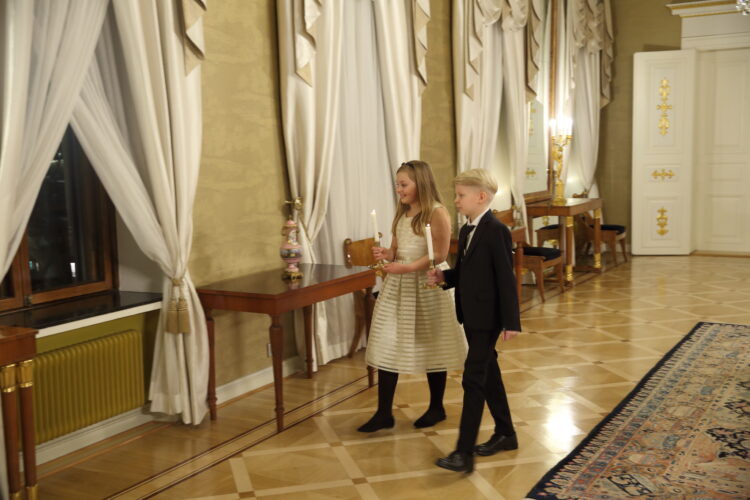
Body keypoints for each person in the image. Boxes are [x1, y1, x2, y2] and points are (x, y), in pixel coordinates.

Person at [358, 161, 468, 433]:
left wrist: (406, 267)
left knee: (433, 343)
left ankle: (436, 407)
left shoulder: (437, 212)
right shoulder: (402, 213)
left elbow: (440, 255)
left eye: (403, 184)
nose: (398, 189)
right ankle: (384, 412)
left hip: (428, 284)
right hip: (399, 287)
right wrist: (387, 254)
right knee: (386, 342)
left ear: (421, 183)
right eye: (397, 184)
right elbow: (396, 250)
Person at [427, 168, 521, 473]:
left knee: (473, 379)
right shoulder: (468, 230)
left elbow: (506, 279)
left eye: (460, 195)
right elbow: (468, 272)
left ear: (481, 197)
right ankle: (506, 433)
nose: (455, 200)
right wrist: (445, 276)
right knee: (489, 373)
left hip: (489, 317)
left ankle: (463, 453)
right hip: (470, 313)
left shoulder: (497, 230)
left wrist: (511, 321)